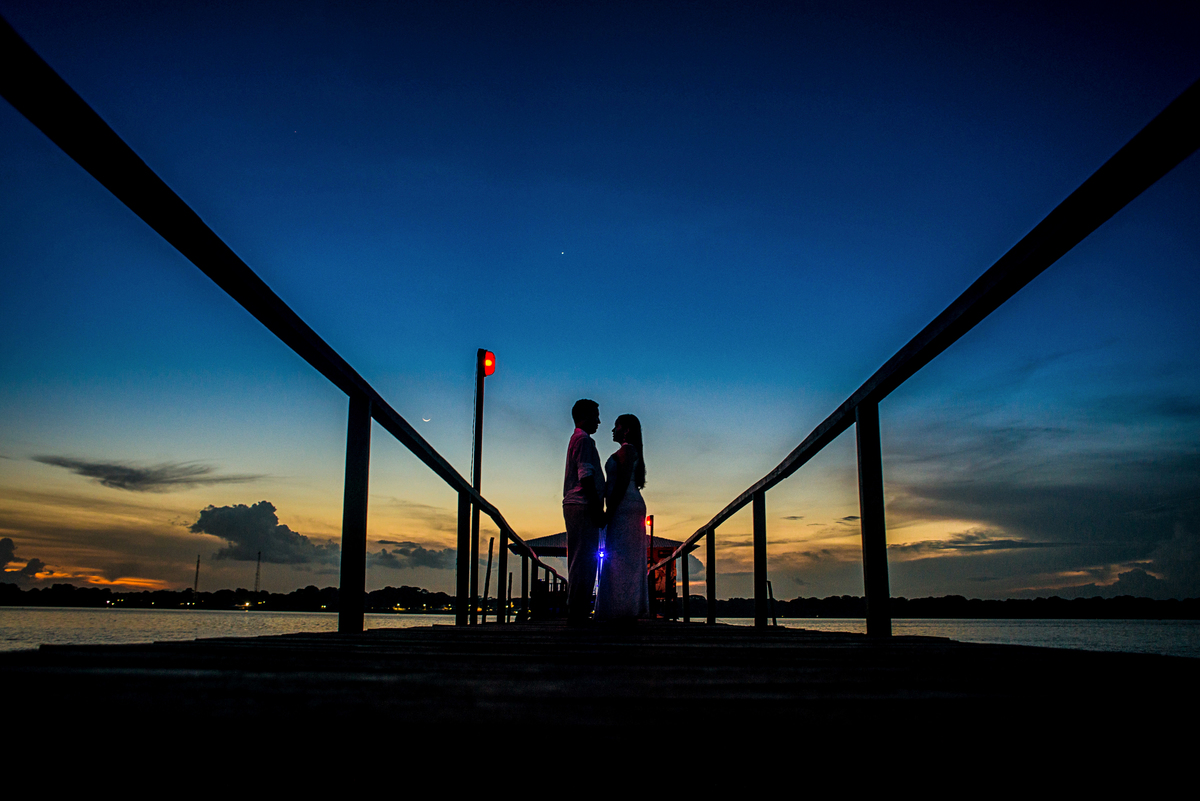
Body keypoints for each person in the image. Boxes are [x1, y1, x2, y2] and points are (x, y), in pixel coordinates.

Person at [594, 413, 648, 621]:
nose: (612, 430)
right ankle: (624, 605)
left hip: (625, 507)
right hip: (628, 506)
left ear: (626, 430)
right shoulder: (630, 451)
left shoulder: (627, 450)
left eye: (616, 426)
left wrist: (609, 511)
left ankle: (622, 607)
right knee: (622, 556)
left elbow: (623, 482)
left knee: (621, 557)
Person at [563, 399, 604, 625]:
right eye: (596, 416)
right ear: (585, 416)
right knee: (584, 560)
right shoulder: (583, 440)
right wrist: (598, 508)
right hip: (582, 505)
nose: (599, 421)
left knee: (581, 558)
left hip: (576, 504)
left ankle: (577, 609)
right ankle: (578, 612)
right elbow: (586, 476)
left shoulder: (578, 439)